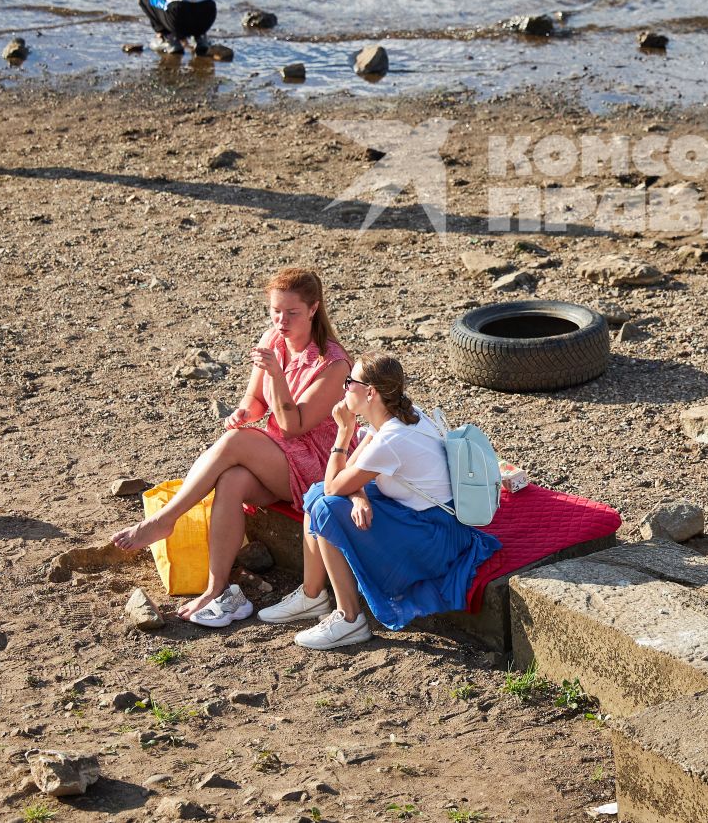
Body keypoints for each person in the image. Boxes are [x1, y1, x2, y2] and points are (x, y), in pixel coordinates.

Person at [111, 267, 350, 625]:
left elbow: (292, 426)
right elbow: (255, 399)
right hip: (277, 455)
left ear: (313, 309)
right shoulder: (273, 339)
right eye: (275, 311)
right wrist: (242, 412)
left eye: (292, 313)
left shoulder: (332, 363)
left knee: (236, 443)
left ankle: (164, 520)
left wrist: (277, 376)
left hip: (318, 464)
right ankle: (215, 588)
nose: (281, 321)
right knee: (232, 479)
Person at [258, 353, 502, 650]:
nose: (345, 388)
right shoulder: (396, 415)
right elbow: (347, 476)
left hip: (436, 537)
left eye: (350, 383)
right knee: (316, 493)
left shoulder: (391, 438)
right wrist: (359, 496)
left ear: (370, 392)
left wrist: (343, 431)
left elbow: (336, 485)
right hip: (427, 517)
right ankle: (312, 596)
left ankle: (349, 620)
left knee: (324, 506)